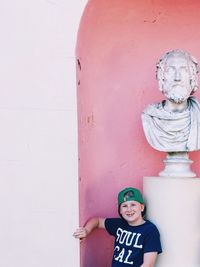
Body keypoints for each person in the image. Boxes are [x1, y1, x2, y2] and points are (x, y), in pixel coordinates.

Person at [73, 187, 162, 267]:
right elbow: (97, 221)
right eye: (124, 206)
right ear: (120, 211)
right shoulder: (119, 224)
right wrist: (86, 230)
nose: (129, 209)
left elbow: (148, 264)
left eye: (133, 205)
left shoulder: (150, 230)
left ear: (142, 207)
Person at [142, 49, 200, 152]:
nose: (177, 78)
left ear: (192, 77)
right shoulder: (150, 116)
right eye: (170, 70)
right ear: (161, 77)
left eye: (183, 70)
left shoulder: (198, 114)